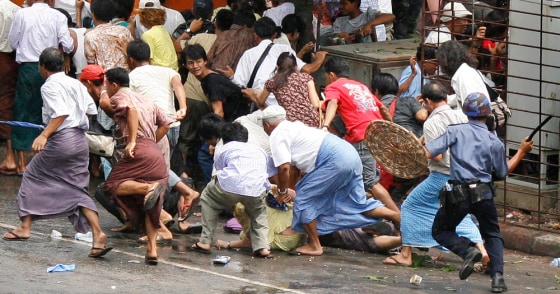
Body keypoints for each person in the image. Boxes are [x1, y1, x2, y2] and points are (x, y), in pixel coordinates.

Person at [2, 48, 112, 259]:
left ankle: (25, 226)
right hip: (80, 140)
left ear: (42, 67)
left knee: (32, 173)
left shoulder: (50, 85)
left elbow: (61, 113)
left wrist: (44, 135)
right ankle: (98, 235)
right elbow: (91, 110)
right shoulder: (75, 83)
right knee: (77, 187)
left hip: (63, 139)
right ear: (63, 65)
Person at [426, 92, 533, 292]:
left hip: (457, 194)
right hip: (483, 193)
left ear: (466, 112)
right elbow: (502, 172)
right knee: (492, 234)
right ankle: (498, 279)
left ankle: (467, 251)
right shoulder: (494, 141)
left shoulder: (455, 131)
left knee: (440, 230)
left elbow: (430, 152)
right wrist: (521, 152)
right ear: (488, 114)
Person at [262, 105, 401, 256]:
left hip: (333, 159)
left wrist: (281, 193)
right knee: (356, 201)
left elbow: (284, 168)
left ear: (266, 125)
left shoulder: (276, 134)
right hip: (349, 153)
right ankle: (394, 215)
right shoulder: (296, 126)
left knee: (304, 199)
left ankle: (315, 245)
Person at [383, 81, 486, 267]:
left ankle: (406, 254)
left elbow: (437, 156)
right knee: (458, 215)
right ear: (446, 98)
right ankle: (484, 252)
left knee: (409, 206)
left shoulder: (432, 122)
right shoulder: (461, 116)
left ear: (427, 102)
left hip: (442, 176)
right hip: (465, 174)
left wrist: (417, 151)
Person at [101, 67, 173, 265]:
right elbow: (166, 123)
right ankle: (152, 249)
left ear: (114, 85)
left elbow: (131, 112)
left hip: (139, 149)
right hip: (154, 152)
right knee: (150, 204)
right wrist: (151, 141)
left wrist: (133, 141)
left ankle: (146, 187)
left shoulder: (119, 97)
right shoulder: (147, 100)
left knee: (110, 186)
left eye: (107, 84)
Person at [321, 57, 400, 214]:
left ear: (331, 75)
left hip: (362, 135)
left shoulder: (334, 87)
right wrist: (391, 129)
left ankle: (398, 217)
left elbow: (332, 103)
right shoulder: (361, 86)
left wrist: (325, 126)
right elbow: (383, 109)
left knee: (369, 182)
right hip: (375, 134)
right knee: (353, 176)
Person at [7, 0, 75, 176]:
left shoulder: (22, 14)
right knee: (51, 112)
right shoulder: (58, 16)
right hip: (52, 68)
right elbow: (68, 45)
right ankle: (45, 163)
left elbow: (13, 42)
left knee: (23, 111)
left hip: (29, 68)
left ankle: (22, 163)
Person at [190, 122, 276, 258]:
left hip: (229, 187)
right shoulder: (259, 150)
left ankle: (205, 242)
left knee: (207, 198)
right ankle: (262, 247)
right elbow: (269, 171)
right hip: (256, 189)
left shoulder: (223, 148)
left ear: (224, 139)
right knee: (259, 213)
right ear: (245, 138)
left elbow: (219, 171)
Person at [232, 17, 327, 106]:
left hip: (259, 105)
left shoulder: (248, 54)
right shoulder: (284, 48)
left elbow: (238, 84)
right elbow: (307, 70)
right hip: (284, 106)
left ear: (255, 35)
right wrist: (320, 59)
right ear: (275, 35)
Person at [250, 52, 321, 127]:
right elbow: (316, 104)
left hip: (290, 123)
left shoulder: (272, 82)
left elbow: (260, 102)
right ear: (296, 67)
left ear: (277, 67)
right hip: (311, 120)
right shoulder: (306, 78)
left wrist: (256, 93)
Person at [438, 40, 490, 110]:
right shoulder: (464, 72)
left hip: (476, 118)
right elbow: (460, 97)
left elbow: (472, 109)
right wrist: (439, 100)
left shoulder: (464, 76)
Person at [0, 0, 20, 176]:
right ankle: (10, 155)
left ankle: (10, 159)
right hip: (11, 59)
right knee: (7, 103)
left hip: (4, 58)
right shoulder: (16, 10)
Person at [136, 0, 179, 71]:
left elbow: (145, 62)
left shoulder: (148, 35)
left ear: (141, 16)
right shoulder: (164, 31)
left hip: (159, 75)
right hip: (173, 73)